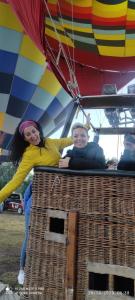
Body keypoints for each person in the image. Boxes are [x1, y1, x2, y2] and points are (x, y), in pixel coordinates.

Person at [0, 120, 73, 204]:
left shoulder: (50, 142)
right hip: (44, 186)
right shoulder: (29, 155)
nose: (33, 136)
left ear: (38, 130)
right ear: (25, 138)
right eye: (28, 134)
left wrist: (86, 127)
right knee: (29, 208)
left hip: (59, 183)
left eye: (33, 131)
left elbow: (70, 140)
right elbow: (16, 181)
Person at [18, 182, 32, 285]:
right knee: (28, 238)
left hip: (43, 211)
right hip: (31, 210)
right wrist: (27, 208)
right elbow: (26, 194)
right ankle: (21, 270)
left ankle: (30, 268)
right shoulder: (38, 177)